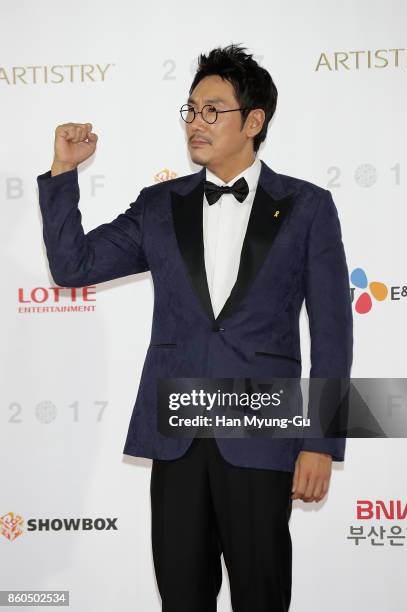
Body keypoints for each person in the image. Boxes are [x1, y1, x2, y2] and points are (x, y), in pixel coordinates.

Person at [36, 43, 353, 612]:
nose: (196, 123)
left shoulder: (307, 206)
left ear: (253, 122)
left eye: (213, 110)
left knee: (262, 594)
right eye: (190, 109)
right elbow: (73, 266)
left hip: (263, 430)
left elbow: (332, 331)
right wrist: (63, 173)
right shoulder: (161, 205)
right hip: (177, 430)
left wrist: (320, 443)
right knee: (181, 594)